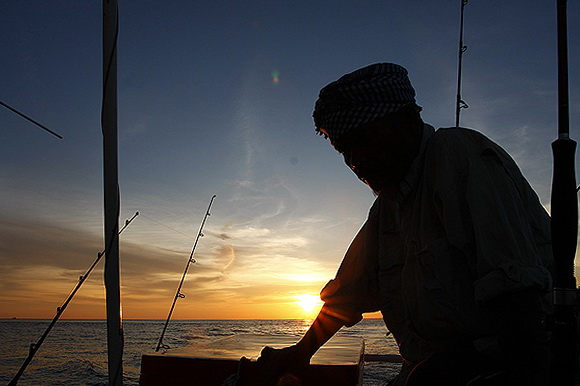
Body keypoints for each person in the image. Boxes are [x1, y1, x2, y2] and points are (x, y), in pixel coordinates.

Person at [256, 63, 554, 385]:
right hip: (420, 373)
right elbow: (349, 293)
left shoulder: (459, 157)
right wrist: (302, 352)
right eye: (345, 150)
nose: (355, 161)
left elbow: (521, 300)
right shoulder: (385, 210)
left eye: (365, 139)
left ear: (408, 120)